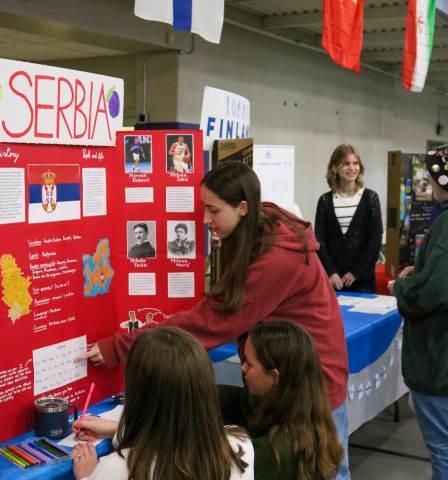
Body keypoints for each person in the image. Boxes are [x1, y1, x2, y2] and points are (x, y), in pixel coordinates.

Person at [77, 162, 350, 479]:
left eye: (213, 210)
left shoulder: (276, 257)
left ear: (243, 207)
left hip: (311, 385)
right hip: (294, 379)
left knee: (322, 471)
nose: (205, 220)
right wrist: (121, 426)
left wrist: (122, 345)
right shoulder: (262, 229)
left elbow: (208, 322)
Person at [71, 327, 253, 480]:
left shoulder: (116, 469)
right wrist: (116, 429)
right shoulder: (241, 445)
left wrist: (89, 476)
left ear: (138, 394)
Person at [387, 146, 448, 480]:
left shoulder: (444, 228)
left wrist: (402, 287)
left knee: (442, 450)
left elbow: (432, 293)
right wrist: (421, 272)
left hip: (439, 363)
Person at [219, 321, 343, 479]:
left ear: (275, 376)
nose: (243, 367)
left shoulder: (273, 453)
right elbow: (236, 399)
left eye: (249, 364)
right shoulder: (306, 411)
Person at [315, 144, 383, 293]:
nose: (352, 168)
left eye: (355, 163)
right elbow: (320, 241)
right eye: (346, 163)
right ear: (335, 168)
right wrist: (330, 272)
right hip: (333, 280)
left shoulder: (370, 198)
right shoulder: (325, 201)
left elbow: (375, 241)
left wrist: (356, 273)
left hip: (362, 280)